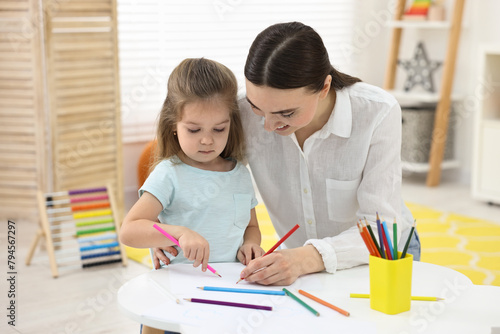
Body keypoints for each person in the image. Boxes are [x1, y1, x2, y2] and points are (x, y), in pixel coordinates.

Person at [235, 21, 421, 286]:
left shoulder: (377, 112)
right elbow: (215, 180)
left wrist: (304, 258)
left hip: (381, 258)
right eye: (257, 108)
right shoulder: (241, 112)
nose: (267, 126)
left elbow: (383, 230)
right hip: (299, 268)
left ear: (324, 87)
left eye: (286, 113)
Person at [120, 57, 264, 275]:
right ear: (174, 126)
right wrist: (178, 233)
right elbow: (129, 231)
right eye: (194, 130)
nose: (207, 140)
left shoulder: (240, 174)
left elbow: (251, 227)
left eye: (218, 129)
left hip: (232, 281)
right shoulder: (169, 174)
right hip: (182, 285)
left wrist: (250, 244)